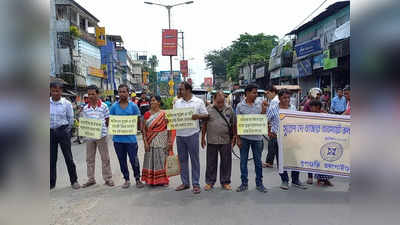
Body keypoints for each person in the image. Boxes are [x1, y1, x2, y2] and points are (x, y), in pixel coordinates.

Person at [267, 89, 308, 190]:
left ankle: (295, 180)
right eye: (284, 97)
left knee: (295, 159)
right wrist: (269, 132)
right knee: (281, 160)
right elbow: (266, 120)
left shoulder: (293, 108)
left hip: (291, 138)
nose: (287, 100)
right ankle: (284, 180)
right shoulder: (273, 108)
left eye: (288, 97)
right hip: (277, 138)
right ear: (279, 98)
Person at [174, 81, 208, 194]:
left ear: (188, 90)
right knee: (182, 160)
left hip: (193, 134)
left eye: (181, 89)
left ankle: (195, 183)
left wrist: (198, 116)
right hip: (180, 135)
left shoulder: (198, 102)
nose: (179, 91)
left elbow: (206, 115)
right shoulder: (177, 103)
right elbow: (173, 117)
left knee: (194, 160)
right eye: (179, 89)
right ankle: (185, 182)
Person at [110, 84, 145, 189]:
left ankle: (138, 179)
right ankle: (126, 179)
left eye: (124, 91)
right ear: (118, 93)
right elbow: (110, 121)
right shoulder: (114, 107)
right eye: (120, 92)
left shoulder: (133, 106)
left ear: (128, 93)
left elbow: (139, 120)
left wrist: (141, 129)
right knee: (122, 160)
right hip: (118, 140)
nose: (122, 94)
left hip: (131, 139)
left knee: (134, 159)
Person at [236, 84, 268, 193]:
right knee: (243, 162)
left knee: (258, 162)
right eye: (254, 92)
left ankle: (259, 183)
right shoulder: (240, 106)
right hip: (244, 138)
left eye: (256, 93)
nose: (256, 95)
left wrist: (264, 109)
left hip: (257, 138)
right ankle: (244, 183)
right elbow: (237, 123)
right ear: (247, 93)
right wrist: (238, 138)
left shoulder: (260, 105)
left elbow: (263, 120)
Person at [201, 91, 236, 191]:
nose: (220, 104)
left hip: (226, 140)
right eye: (218, 102)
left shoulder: (230, 109)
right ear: (214, 100)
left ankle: (225, 182)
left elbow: (233, 124)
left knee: (226, 162)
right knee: (211, 162)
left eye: (222, 102)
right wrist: (202, 137)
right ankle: (210, 182)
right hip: (212, 140)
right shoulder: (208, 109)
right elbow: (204, 124)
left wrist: (234, 137)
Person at [81, 85, 114, 188]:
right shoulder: (85, 108)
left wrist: (102, 129)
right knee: (89, 158)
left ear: (97, 94)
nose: (90, 96)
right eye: (89, 94)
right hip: (90, 137)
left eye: (93, 94)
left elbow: (108, 121)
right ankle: (91, 179)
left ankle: (108, 178)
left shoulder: (104, 106)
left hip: (102, 136)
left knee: (105, 158)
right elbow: (85, 123)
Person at [50, 82, 80, 190]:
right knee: (51, 159)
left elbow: (70, 119)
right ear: (50, 91)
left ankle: (74, 181)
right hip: (50, 133)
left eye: (57, 91)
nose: (55, 93)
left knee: (68, 157)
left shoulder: (66, 103)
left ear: (61, 91)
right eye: (53, 90)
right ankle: (51, 183)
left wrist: (67, 131)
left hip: (63, 131)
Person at [141, 96, 173, 186]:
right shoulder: (147, 114)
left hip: (162, 139)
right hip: (150, 139)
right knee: (150, 159)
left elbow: (169, 128)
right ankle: (151, 180)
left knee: (162, 160)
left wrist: (169, 141)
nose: (151, 102)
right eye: (151, 101)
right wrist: (145, 143)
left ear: (159, 102)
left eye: (154, 100)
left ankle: (163, 180)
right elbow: (143, 130)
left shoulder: (164, 114)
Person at [263, 86, 278, 168]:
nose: (267, 95)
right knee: (273, 145)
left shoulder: (274, 101)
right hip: (276, 126)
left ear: (273, 92)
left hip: (275, 128)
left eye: (268, 93)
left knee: (272, 145)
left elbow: (269, 116)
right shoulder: (274, 101)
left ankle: (269, 162)